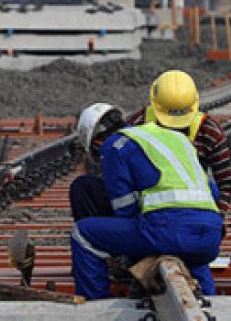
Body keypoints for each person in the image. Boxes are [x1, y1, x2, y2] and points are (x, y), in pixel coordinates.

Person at [70, 103, 223, 300]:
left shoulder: (115, 145)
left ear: (97, 143)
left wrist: (127, 254)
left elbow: (124, 208)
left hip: (166, 231)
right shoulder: (177, 139)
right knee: (190, 248)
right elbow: (214, 192)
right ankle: (211, 299)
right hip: (210, 237)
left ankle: (97, 302)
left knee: (83, 233)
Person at [69, 70, 231, 220]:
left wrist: (217, 220)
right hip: (149, 201)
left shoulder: (210, 132)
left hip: (184, 208)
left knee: (210, 187)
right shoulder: (138, 122)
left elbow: (224, 185)